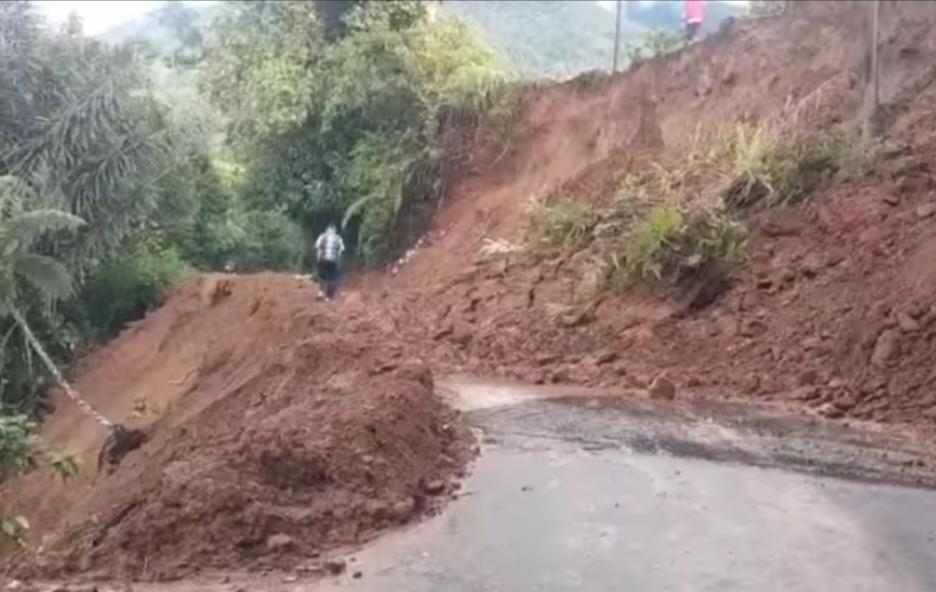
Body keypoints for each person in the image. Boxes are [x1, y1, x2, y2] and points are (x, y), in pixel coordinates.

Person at [314, 223, 345, 300]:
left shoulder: (322, 236)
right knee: (332, 278)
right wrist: (339, 262)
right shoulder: (338, 238)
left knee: (322, 276)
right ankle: (328, 296)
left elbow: (318, 249)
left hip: (323, 259)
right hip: (333, 260)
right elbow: (340, 252)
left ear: (327, 230)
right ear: (335, 230)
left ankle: (321, 292)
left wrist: (318, 259)